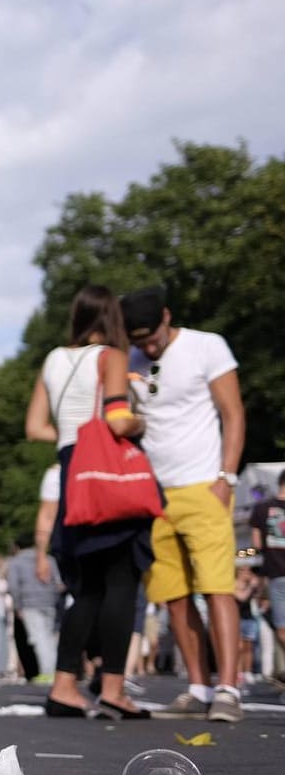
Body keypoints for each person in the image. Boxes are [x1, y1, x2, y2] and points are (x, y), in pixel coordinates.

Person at [25, 284, 152, 719]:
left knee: (89, 588)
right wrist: (141, 421)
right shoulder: (111, 357)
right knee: (121, 582)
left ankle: (64, 685)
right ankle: (113, 688)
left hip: (72, 475)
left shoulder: (53, 359)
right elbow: (117, 420)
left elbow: (35, 426)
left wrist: (74, 437)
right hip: (108, 478)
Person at [122, 286, 247, 721]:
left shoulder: (206, 346)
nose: (147, 346)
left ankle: (228, 689)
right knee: (173, 596)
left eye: (152, 337)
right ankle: (197, 686)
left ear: (167, 317)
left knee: (217, 588)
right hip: (155, 494)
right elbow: (140, 425)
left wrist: (226, 478)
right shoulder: (132, 362)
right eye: (138, 341)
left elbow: (233, 412)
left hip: (204, 485)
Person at [5, 533, 59, 681]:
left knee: (38, 638)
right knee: (49, 638)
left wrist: (17, 606)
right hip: (49, 603)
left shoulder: (16, 562)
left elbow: (14, 586)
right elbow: (57, 582)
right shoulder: (49, 559)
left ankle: (48, 673)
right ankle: (53, 671)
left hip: (30, 604)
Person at [249, 468, 285, 672]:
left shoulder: (262, 509)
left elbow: (256, 548)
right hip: (276, 577)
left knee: (281, 629)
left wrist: (238, 554)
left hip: (277, 575)